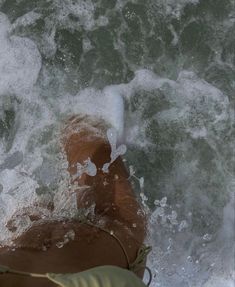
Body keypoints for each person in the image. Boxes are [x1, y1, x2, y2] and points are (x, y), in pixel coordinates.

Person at [0, 116, 150, 287]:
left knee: (34, 214)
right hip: (108, 249)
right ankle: (86, 111)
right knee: (83, 134)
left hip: (29, 248)